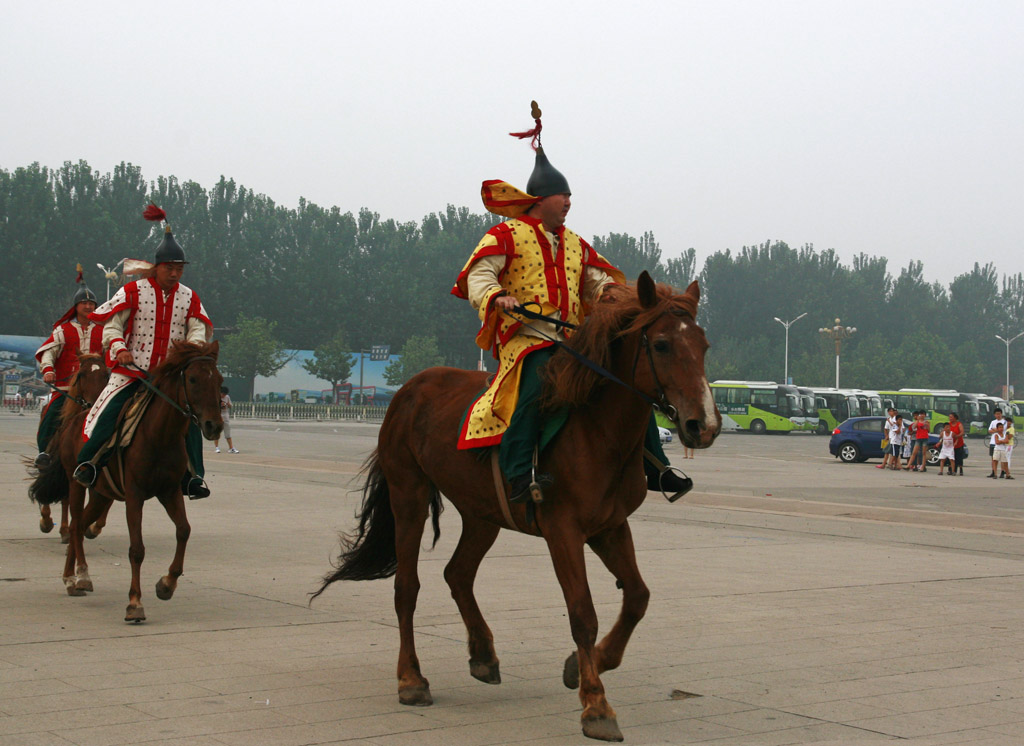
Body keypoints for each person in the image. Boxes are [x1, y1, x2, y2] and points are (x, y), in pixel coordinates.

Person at [451, 101, 691, 503]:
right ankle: (516, 479)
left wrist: (611, 296)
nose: (568, 203)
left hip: (574, 341)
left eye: (569, 198)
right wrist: (497, 296)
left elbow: (597, 281)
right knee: (538, 384)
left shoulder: (575, 244)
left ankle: (657, 467)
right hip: (527, 339)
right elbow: (478, 275)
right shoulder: (506, 235)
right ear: (541, 199)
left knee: (630, 383)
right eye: (563, 197)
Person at [72, 205, 214, 499]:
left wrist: (196, 349)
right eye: (169, 268)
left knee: (188, 420)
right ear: (156, 266)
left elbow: (198, 329)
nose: (175, 274)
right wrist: (120, 348)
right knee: (108, 412)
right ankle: (89, 463)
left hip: (170, 379)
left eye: (180, 269)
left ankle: (193, 477)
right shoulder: (133, 291)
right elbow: (111, 327)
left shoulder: (190, 297)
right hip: (132, 372)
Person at [33, 274, 105, 468]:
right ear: (76, 307)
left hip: (98, 390)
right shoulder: (62, 330)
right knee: (51, 415)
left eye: (92, 303)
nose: (88, 307)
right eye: (84, 303)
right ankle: (44, 453)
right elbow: (49, 352)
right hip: (66, 388)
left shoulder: (103, 330)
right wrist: (48, 370)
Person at [214, 386, 238, 453]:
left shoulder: (227, 397)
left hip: (225, 416)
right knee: (217, 432)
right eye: (222, 394)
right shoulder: (216, 397)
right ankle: (217, 447)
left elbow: (230, 406)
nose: (223, 396)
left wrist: (226, 404)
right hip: (218, 415)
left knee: (228, 433)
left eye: (224, 394)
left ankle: (231, 448)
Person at [988, 408, 1007, 478]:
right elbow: (989, 430)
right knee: (993, 458)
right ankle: (993, 471)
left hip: (1001, 442)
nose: (998, 415)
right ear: (994, 415)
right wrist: (995, 430)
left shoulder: (1004, 422)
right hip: (993, 442)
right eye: (996, 414)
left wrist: (994, 430)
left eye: (999, 414)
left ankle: (1002, 471)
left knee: (1002, 458)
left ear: (1001, 414)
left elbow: (1001, 430)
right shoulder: (993, 422)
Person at [949, 411, 965, 476]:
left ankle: (960, 469)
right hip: (951, 444)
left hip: (959, 443)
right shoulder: (949, 424)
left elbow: (962, 432)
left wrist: (957, 436)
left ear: (955, 418)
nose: (950, 418)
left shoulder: (959, 424)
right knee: (952, 457)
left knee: (959, 457)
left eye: (951, 417)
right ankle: (953, 470)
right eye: (949, 417)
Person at [1002, 415, 1015, 479]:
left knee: (1007, 457)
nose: (1008, 423)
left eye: (1010, 422)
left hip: (1009, 445)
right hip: (1004, 445)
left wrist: (1003, 439)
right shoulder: (1004, 428)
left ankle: (1007, 469)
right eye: (1007, 421)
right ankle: (1005, 469)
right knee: (1004, 457)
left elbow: (1010, 437)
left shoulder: (1011, 429)